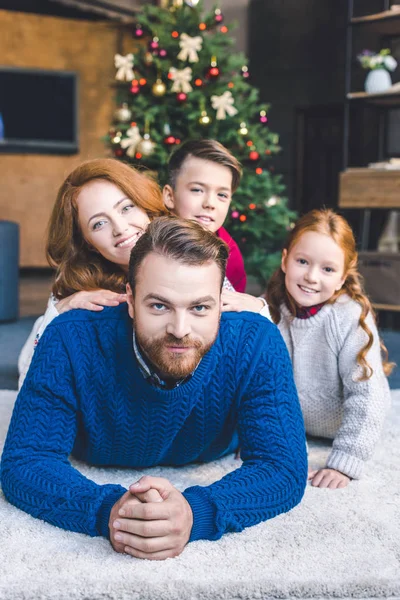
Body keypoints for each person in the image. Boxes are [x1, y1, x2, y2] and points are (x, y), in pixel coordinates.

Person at [3, 217, 307, 561]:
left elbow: (282, 466)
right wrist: (109, 512)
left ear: (223, 301)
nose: (179, 329)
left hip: (213, 450)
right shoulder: (70, 337)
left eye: (200, 308)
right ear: (130, 299)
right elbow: (26, 460)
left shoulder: (256, 341)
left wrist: (195, 512)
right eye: (159, 305)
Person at [266, 208, 394, 489]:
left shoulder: (348, 315)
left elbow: (368, 396)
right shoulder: (271, 307)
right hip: (294, 426)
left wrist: (345, 460)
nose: (312, 276)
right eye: (302, 261)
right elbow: (255, 385)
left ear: (342, 276)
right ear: (286, 260)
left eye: (327, 269)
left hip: (338, 424)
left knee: (370, 392)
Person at [18, 158, 168, 387]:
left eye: (127, 208)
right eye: (99, 224)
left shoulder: (188, 251)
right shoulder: (76, 288)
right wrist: (57, 312)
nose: (120, 228)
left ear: (145, 206)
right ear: (87, 243)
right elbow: (31, 382)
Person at [163, 139, 271, 318]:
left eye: (222, 195)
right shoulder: (146, 239)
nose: (210, 204)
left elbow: (232, 312)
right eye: (197, 190)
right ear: (169, 196)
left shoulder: (230, 255)